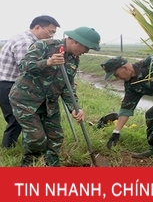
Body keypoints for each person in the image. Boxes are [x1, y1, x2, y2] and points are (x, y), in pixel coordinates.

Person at [8, 26, 101, 166]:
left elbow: (67, 86)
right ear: (76, 42)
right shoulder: (44, 45)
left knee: (56, 137)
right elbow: (24, 66)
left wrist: (74, 108)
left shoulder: (74, 59)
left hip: (49, 103)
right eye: (87, 47)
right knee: (36, 138)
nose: (86, 52)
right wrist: (48, 62)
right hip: (26, 100)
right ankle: (29, 165)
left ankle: (52, 166)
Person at [0, 15, 61, 149]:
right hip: (7, 85)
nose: (51, 36)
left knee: (18, 117)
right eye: (50, 32)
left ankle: (14, 146)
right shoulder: (26, 42)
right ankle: (8, 148)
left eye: (53, 33)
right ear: (37, 27)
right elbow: (27, 69)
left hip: (8, 84)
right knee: (16, 118)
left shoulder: (29, 40)